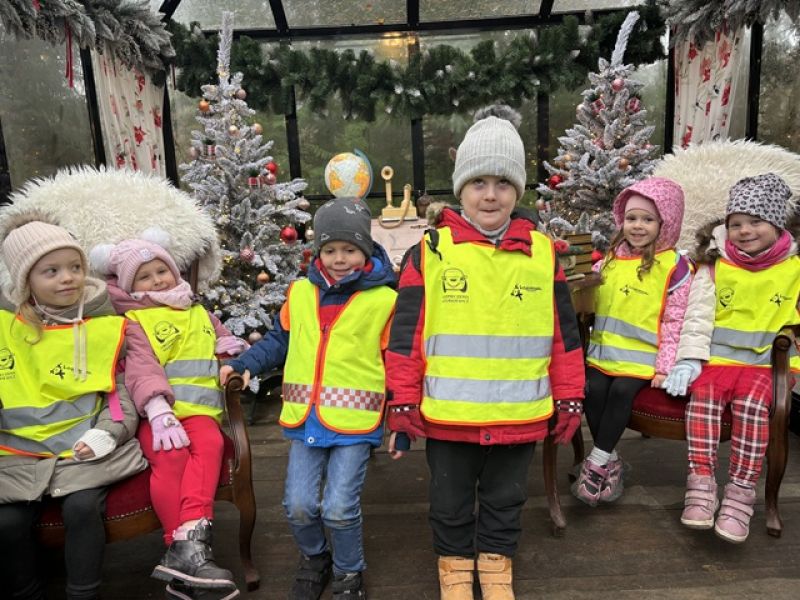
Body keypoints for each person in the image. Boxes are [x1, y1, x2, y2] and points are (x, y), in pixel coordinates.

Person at [385, 105, 585, 600]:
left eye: (502, 183)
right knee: (449, 502)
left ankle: (496, 566)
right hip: (449, 417)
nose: (490, 195)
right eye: (478, 182)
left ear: (518, 191)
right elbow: (405, 336)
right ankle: (454, 569)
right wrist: (402, 401)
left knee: (506, 499)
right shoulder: (429, 253)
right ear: (461, 189)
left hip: (520, 413)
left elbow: (564, 338)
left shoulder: (543, 255)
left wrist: (570, 397)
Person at [219, 197, 397, 600]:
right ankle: (316, 559)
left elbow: (397, 360)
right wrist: (245, 364)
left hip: (356, 423)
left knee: (339, 507)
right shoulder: (300, 293)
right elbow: (279, 341)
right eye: (330, 250)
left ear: (365, 250)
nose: (339, 259)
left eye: (349, 249)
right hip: (305, 420)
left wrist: (402, 415)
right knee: (298, 504)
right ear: (318, 251)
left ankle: (349, 573)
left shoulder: (385, 301)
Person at [90, 229, 248, 598]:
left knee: (210, 445)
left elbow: (222, 340)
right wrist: (158, 409)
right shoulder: (133, 321)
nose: (157, 280)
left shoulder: (197, 310)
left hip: (201, 412)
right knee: (171, 456)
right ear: (129, 286)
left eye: (161, 270)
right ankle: (185, 549)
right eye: (144, 277)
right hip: (157, 415)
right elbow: (142, 369)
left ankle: (186, 549)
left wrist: (232, 354)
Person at [0, 216, 148, 600]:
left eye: (75, 267)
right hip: (18, 456)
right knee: (7, 523)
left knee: (81, 508)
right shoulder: (5, 332)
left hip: (85, 452)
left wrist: (107, 434)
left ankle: (83, 594)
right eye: (51, 271)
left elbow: (121, 395)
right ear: (25, 281)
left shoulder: (104, 324)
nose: (68, 278)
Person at [663, 172, 799, 543]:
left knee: (752, 408)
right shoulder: (714, 264)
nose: (744, 231)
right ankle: (702, 485)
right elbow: (697, 316)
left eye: (756, 221)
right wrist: (689, 359)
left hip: (766, 365)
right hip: (717, 361)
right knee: (702, 403)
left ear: (776, 224)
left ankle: (740, 494)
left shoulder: (794, 268)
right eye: (736, 223)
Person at [575, 178, 692, 506]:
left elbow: (675, 321)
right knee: (593, 390)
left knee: (621, 392)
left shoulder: (675, 267)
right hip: (604, 353)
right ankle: (610, 461)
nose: (637, 226)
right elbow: (594, 297)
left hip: (644, 359)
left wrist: (665, 367)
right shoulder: (610, 260)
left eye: (647, 219)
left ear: (666, 223)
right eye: (631, 218)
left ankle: (595, 464)